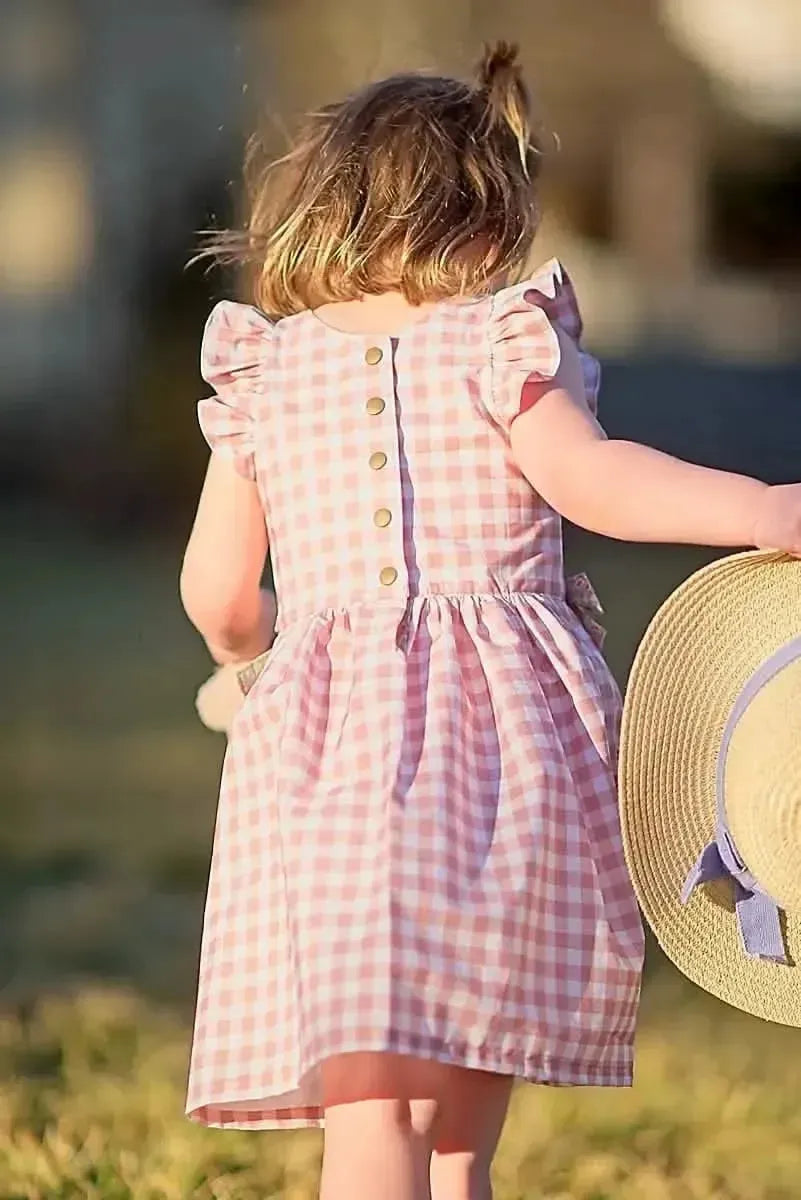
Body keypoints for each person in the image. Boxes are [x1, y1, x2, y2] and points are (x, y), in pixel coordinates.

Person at [179, 41, 801, 1200]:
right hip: (503, 756)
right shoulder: (501, 340)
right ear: (478, 225)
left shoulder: (267, 372)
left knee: (372, 1110)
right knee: (465, 1094)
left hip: (329, 772)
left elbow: (217, 589)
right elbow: (599, 485)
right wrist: (761, 505)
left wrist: (247, 654)